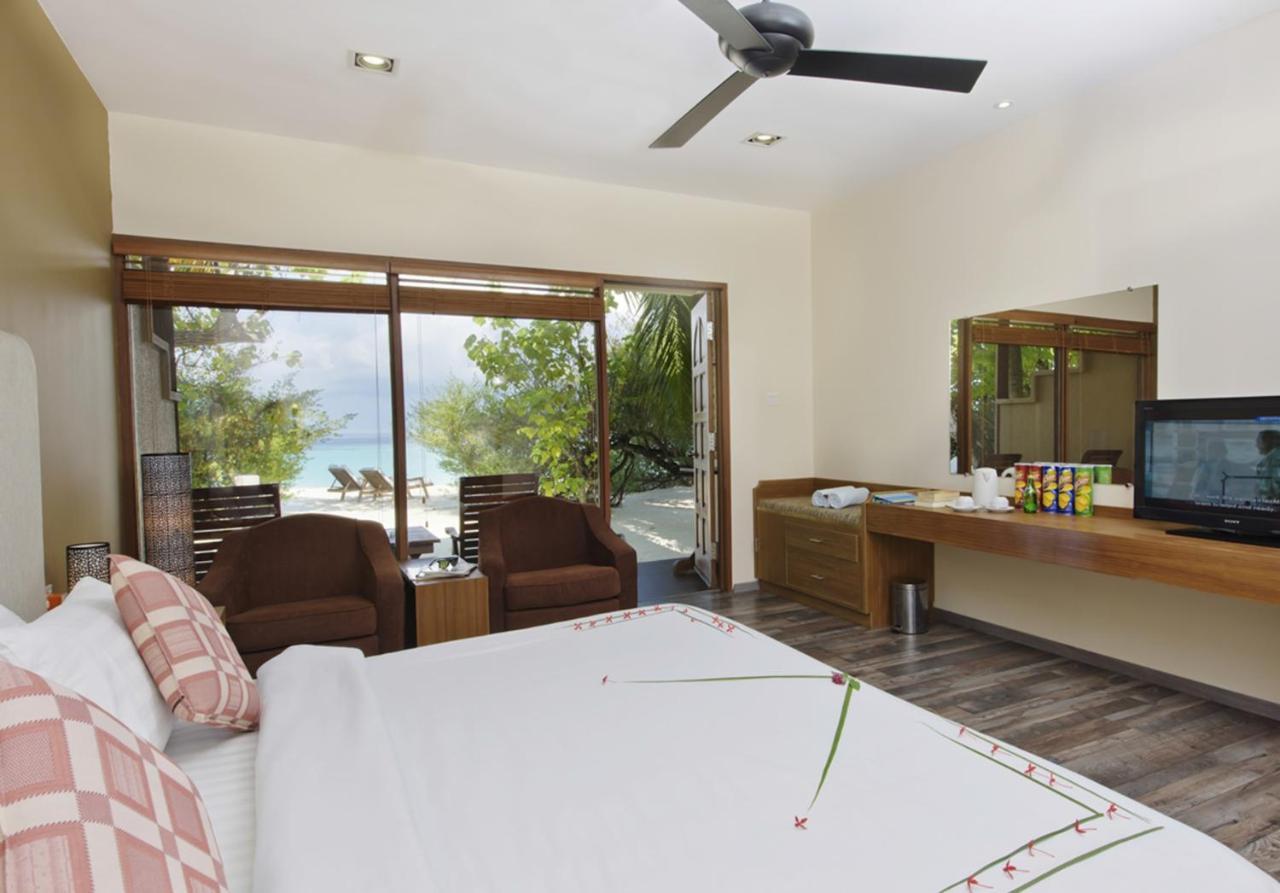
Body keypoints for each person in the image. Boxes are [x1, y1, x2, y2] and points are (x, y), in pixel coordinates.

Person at [1256, 430, 1280, 503]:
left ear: (1266, 442)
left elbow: (1267, 489)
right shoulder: (1268, 460)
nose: (1256, 445)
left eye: (1258, 442)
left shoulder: (1272, 460)